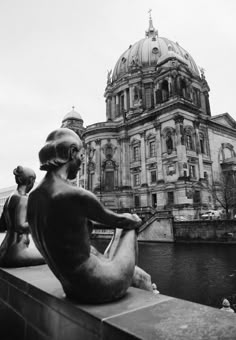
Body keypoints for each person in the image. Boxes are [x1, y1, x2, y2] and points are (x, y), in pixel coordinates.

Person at [27, 128, 153, 303]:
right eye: (80, 157)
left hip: (71, 287)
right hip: (97, 286)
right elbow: (119, 221)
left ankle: (140, 279)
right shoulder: (76, 194)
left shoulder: (33, 197)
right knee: (129, 226)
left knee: (140, 275)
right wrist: (134, 219)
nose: (81, 163)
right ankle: (150, 303)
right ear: (72, 152)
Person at [0, 166, 45, 267]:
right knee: (50, 255)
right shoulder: (23, 198)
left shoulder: (9, 198)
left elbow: (2, 226)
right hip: (17, 253)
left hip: (3, 252)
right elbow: (20, 226)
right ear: (30, 181)